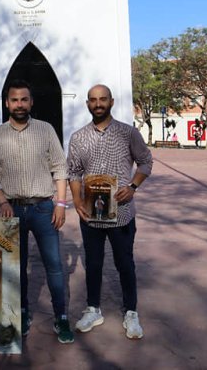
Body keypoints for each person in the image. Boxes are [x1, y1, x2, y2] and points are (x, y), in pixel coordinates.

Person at [0, 79, 74, 344]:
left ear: (31, 102)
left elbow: (60, 166)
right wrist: (2, 202)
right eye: (15, 100)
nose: (19, 104)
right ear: (7, 103)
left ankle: (61, 316)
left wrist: (60, 204)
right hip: (12, 210)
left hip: (44, 208)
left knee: (54, 266)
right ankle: (21, 312)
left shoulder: (45, 130)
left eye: (24, 99)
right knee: (16, 266)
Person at [67, 84, 153, 339]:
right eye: (93, 100)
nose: (98, 104)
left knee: (124, 264)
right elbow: (73, 171)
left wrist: (133, 186)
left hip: (122, 213)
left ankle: (131, 312)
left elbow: (146, 161)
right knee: (93, 264)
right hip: (91, 214)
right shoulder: (78, 137)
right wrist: (76, 200)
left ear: (112, 102)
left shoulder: (128, 133)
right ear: (87, 104)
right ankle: (93, 309)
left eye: (103, 99)